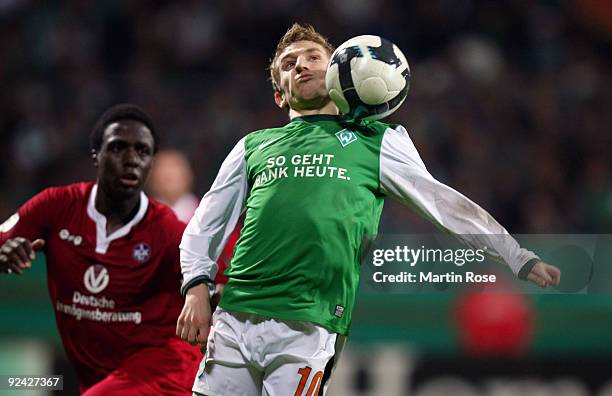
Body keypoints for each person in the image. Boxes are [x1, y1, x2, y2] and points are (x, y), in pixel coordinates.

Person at [176, 24, 561, 395]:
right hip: (234, 315)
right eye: (288, 65)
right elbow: (205, 224)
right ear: (280, 94)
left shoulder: (379, 141)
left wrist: (516, 255)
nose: (300, 65)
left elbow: (446, 206)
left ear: (338, 73)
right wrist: (196, 287)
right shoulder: (254, 145)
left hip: (311, 322)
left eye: (313, 57)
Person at [0, 104, 200, 395]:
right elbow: (4, 238)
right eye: (119, 148)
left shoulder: (170, 231)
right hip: (101, 379)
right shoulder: (57, 206)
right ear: (97, 154)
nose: (131, 159)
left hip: (165, 372)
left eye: (142, 152)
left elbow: (222, 279)